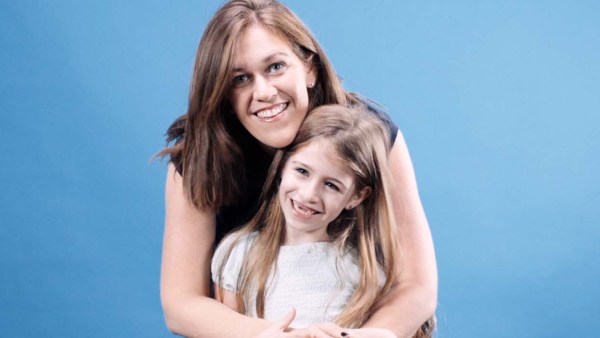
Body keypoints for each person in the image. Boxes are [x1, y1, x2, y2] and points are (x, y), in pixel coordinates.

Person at [158, 0, 437, 337]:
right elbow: (181, 303)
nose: (263, 92)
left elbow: (418, 285)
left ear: (310, 68)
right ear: (221, 93)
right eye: (240, 79)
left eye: (275, 67)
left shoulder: (370, 136)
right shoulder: (199, 159)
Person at [212, 104, 401, 337]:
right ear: (282, 165)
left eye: (331, 185)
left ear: (356, 196)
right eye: (302, 171)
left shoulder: (363, 270)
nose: (309, 195)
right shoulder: (237, 253)